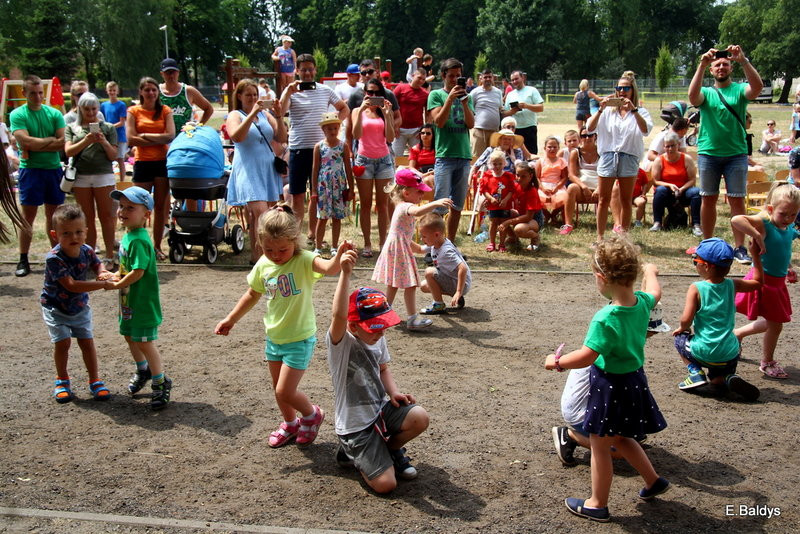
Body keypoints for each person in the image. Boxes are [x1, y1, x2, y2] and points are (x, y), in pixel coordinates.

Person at [544, 236, 669, 523]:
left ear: (602, 277)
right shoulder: (642, 304)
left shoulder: (605, 317)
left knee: (601, 445)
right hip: (634, 381)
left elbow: (586, 357)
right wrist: (651, 272)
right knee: (623, 438)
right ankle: (653, 481)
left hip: (610, 387)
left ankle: (597, 503)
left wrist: (557, 362)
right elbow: (655, 292)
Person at [214, 204, 347, 447]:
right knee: (279, 389)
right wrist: (230, 319)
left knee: (284, 391)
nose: (275, 255)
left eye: (282, 250)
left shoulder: (304, 260)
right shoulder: (264, 265)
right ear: (260, 244)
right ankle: (291, 423)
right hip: (274, 337)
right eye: (268, 249)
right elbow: (252, 294)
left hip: (299, 338)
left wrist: (340, 256)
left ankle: (312, 414)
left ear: (295, 242)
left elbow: (330, 268)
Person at [327, 261, 430, 494]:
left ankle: (388, 450)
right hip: (355, 427)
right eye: (375, 327)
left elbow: (383, 368)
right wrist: (345, 273)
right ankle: (350, 451)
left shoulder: (378, 339)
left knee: (419, 417)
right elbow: (338, 315)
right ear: (354, 326)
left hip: (379, 412)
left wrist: (393, 392)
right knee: (386, 485)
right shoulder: (341, 344)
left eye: (383, 325)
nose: (382, 331)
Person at [688, 45, 763, 263]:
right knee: (708, 199)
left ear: (731, 68)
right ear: (712, 70)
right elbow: (693, 98)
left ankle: (739, 247)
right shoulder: (708, 93)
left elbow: (757, 88)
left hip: (736, 154)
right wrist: (701, 65)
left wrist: (744, 60)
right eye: (717, 65)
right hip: (709, 154)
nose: (721, 67)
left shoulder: (739, 90)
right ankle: (707, 245)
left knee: (737, 201)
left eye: (725, 64)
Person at [40, 205, 114, 403]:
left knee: (87, 343)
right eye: (67, 233)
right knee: (63, 343)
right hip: (55, 307)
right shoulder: (54, 259)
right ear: (55, 235)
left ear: (86, 232)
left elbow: (97, 263)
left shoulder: (86, 250)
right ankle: (62, 380)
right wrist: (103, 285)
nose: (74, 237)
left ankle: (94, 380)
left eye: (79, 232)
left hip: (79, 307)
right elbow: (71, 285)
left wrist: (101, 271)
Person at [672, 238, 763, 400]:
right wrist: (755, 256)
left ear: (706, 266)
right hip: (729, 354)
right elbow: (757, 282)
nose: (694, 263)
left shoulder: (696, 288)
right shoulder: (733, 285)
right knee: (718, 377)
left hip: (703, 351)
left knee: (679, 338)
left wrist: (683, 328)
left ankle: (695, 372)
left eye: (695, 260)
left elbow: (685, 320)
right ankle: (726, 378)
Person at [107, 187, 172, 410]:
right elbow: (127, 269)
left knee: (144, 341)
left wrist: (117, 283)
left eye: (130, 208)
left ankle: (160, 381)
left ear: (146, 215)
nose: (123, 211)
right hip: (129, 302)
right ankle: (143, 369)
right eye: (121, 206)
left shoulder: (139, 240)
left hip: (142, 303)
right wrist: (114, 275)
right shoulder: (128, 236)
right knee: (130, 337)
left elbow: (138, 272)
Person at [732, 182, 800, 379]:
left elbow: (783, 250)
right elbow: (737, 219)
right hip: (763, 279)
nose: (788, 219)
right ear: (771, 209)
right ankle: (767, 361)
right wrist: (756, 236)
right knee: (776, 323)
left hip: (778, 282)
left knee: (774, 321)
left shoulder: (787, 227)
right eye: (783, 214)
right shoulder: (765, 222)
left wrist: (788, 268)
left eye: (793, 215)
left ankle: (738, 334)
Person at [372, 168, 452, 330]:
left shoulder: (401, 206)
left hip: (397, 248)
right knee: (409, 285)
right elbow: (417, 211)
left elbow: (404, 237)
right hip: (398, 250)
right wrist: (435, 203)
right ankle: (412, 319)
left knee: (393, 284)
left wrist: (422, 249)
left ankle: (383, 313)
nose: (422, 196)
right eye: (419, 192)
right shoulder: (405, 207)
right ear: (406, 193)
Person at [280, 53, 349, 240]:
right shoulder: (291, 91)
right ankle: (295, 235)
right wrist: (288, 92)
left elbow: (344, 108)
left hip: (322, 150)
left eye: (310, 69)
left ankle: (311, 234)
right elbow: (280, 111)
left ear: (315, 70)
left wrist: (332, 126)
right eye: (303, 70)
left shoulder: (325, 90)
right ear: (297, 71)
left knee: (316, 195)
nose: (307, 73)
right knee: (297, 195)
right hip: (298, 149)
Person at [10, 75, 67, 277]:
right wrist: (49, 140)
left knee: (54, 217)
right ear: (24, 93)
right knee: (28, 218)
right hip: (30, 170)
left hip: (52, 169)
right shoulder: (17, 114)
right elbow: (24, 142)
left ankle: (56, 257)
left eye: (40, 93)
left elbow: (63, 142)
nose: (37, 97)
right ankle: (23, 258)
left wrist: (37, 144)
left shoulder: (54, 113)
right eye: (33, 93)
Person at [226, 78, 288, 264]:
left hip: (267, 168)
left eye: (255, 95)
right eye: (248, 95)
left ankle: (258, 257)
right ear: (239, 96)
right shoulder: (235, 115)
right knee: (261, 214)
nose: (253, 98)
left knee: (264, 216)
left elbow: (282, 137)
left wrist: (278, 115)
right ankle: (263, 260)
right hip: (248, 169)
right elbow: (236, 137)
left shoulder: (265, 115)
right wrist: (252, 113)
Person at [587, 71, 652, 241]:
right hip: (608, 156)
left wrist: (634, 111)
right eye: (619, 88)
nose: (622, 91)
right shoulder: (607, 111)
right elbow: (589, 128)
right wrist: (601, 109)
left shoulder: (641, 111)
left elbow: (645, 130)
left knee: (626, 199)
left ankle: (623, 237)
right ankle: (599, 237)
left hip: (629, 157)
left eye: (626, 88)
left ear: (632, 90)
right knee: (603, 199)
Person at [65, 92, 119, 269]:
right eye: (86, 109)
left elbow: (113, 155)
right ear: (80, 108)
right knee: (86, 219)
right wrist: (86, 140)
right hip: (81, 177)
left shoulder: (109, 128)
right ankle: (89, 256)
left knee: (107, 217)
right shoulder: (72, 127)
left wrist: (103, 141)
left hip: (103, 176)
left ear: (98, 108)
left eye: (94, 108)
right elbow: (69, 152)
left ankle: (110, 256)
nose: (90, 113)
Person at [126, 77, 176, 259]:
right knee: (137, 205)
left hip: (162, 162)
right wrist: (158, 137)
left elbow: (170, 135)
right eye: (147, 90)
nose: (151, 93)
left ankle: (156, 246)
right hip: (142, 163)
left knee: (160, 206)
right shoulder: (133, 111)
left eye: (154, 90)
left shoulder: (164, 110)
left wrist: (145, 135)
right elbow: (130, 138)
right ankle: (136, 245)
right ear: (141, 92)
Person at [427, 58, 475, 241]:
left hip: (463, 156)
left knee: (457, 206)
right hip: (445, 156)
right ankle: (433, 246)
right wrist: (450, 99)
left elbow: (470, 124)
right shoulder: (436, 95)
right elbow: (438, 121)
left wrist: (463, 102)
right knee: (440, 206)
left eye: (459, 76)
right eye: (451, 76)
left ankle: (450, 245)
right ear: (443, 76)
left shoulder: (466, 98)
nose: (455, 80)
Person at [352, 78, 396, 256]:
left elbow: (391, 138)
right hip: (364, 161)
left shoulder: (385, 111)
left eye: (378, 93)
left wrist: (386, 114)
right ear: (365, 93)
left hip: (384, 161)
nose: (374, 96)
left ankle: (383, 242)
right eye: (370, 92)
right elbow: (356, 134)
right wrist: (363, 108)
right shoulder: (357, 111)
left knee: (383, 204)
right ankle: (367, 243)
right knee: (365, 204)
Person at [311, 112, 354, 255]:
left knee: (337, 217)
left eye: (335, 128)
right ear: (323, 130)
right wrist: (314, 190)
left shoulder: (343, 146)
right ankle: (318, 247)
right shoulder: (319, 146)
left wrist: (351, 188)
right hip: (324, 185)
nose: (333, 131)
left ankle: (334, 246)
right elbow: (315, 169)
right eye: (329, 129)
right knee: (322, 217)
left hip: (339, 184)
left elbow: (348, 168)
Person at [648, 132, 702, 236]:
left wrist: (682, 189)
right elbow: (655, 181)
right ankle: (657, 223)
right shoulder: (659, 160)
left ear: (678, 145)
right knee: (660, 190)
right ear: (664, 147)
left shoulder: (686, 159)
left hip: (684, 191)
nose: (670, 149)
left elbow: (692, 180)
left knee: (696, 192)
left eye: (672, 145)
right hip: (667, 193)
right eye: (667, 146)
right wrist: (669, 185)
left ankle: (696, 225)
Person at [418, 212, 471, 313]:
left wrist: (459, 291)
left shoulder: (446, 251)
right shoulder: (436, 242)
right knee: (424, 286)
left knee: (429, 272)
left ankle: (439, 305)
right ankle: (455, 295)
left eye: (424, 236)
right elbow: (419, 249)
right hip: (454, 280)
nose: (422, 239)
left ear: (436, 234)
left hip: (461, 284)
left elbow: (462, 268)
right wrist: (403, 238)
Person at [159, 58, 214, 133]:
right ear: (162, 74)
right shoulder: (156, 92)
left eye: (173, 72)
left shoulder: (188, 91)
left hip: (184, 138)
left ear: (178, 72)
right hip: (163, 139)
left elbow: (209, 109)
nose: (171, 75)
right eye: (168, 72)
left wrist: (198, 127)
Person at [499, 160, 543, 251]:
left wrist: (508, 222)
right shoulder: (516, 186)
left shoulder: (532, 191)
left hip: (534, 219)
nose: (519, 178)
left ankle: (535, 237)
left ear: (530, 176)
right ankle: (513, 237)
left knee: (519, 229)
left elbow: (528, 217)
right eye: (518, 175)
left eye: (523, 176)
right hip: (521, 214)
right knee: (500, 213)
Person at [562, 128, 599, 235]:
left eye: (590, 135)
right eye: (583, 136)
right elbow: (571, 175)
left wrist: (599, 188)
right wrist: (584, 187)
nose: (587, 138)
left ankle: (618, 225)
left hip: (599, 186)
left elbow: (607, 174)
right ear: (580, 138)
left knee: (615, 188)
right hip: (583, 187)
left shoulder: (602, 151)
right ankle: (568, 224)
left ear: (595, 136)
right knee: (571, 188)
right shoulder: (575, 153)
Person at [480, 150, 516, 252]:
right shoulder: (487, 176)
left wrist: (505, 200)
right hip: (493, 205)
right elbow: (484, 190)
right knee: (493, 223)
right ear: (490, 164)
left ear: (504, 163)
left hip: (505, 205)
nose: (497, 166)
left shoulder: (508, 176)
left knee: (503, 223)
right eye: (494, 164)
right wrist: (490, 198)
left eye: (500, 164)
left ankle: (502, 243)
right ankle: (492, 242)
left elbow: (511, 190)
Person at [502, 70, 544, 154]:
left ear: (523, 78)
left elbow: (541, 108)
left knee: (531, 153)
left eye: (516, 79)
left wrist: (526, 106)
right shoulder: (510, 94)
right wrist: (512, 111)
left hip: (529, 127)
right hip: (514, 129)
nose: (514, 81)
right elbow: (505, 113)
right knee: (516, 153)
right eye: (512, 80)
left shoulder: (532, 90)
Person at [392, 68, 429, 156]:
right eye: (419, 78)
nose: (421, 81)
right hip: (399, 130)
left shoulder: (425, 94)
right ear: (413, 76)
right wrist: (393, 126)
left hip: (416, 131)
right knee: (396, 157)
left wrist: (423, 130)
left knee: (418, 157)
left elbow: (428, 114)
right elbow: (391, 108)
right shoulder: (400, 88)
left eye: (423, 79)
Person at [470, 69, 504, 161]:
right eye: (485, 77)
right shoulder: (475, 92)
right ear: (481, 79)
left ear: (493, 78)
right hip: (479, 131)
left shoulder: (498, 92)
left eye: (490, 77)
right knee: (477, 158)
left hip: (495, 131)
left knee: (494, 158)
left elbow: (501, 109)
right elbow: (469, 109)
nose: (488, 79)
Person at [535, 136, 569, 220]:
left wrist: (557, 187)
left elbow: (565, 177)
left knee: (565, 197)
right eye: (549, 147)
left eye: (554, 147)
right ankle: (546, 215)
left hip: (557, 185)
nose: (552, 149)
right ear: (545, 148)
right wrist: (543, 188)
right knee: (537, 198)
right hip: (543, 185)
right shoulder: (540, 161)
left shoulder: (562, 161)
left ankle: (553, 215)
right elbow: (536, 177)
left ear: (558, 148)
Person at [100, 81, 128, 179]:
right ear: (107, 91)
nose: (112, 92)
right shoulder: (103, 105)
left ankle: (122, 180)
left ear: (117, 91)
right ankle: (109, 178)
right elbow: (102, 119)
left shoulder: (121, 105)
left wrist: (110, 127)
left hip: (119, 136)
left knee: (120, 159)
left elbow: (122, 122)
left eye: (114, 90)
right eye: (110, 90)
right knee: (108, 158)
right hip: (108, 135)